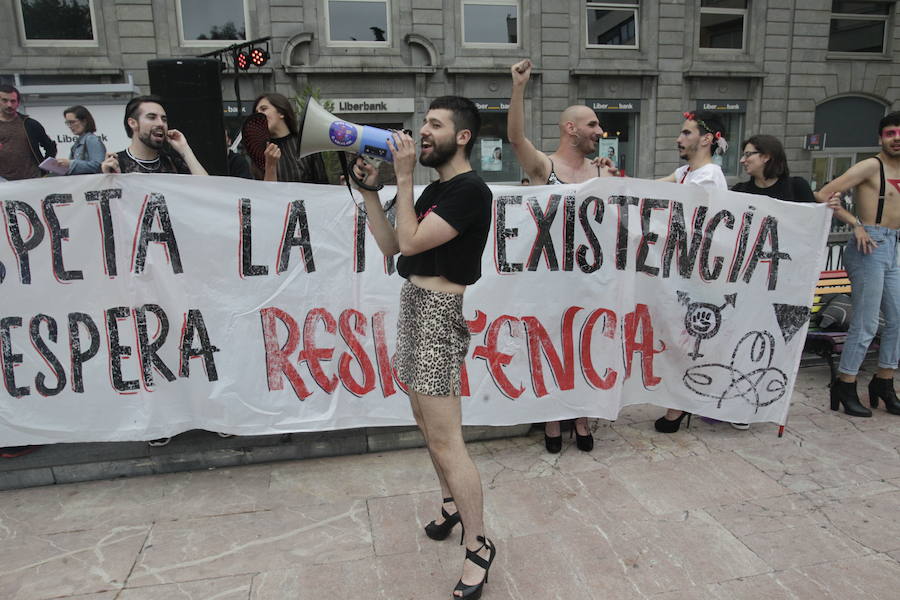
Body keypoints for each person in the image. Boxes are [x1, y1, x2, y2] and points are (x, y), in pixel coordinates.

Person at [354, 96, 496, 599]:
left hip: (437, 318)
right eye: (423, 123)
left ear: (463, 136)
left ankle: (479, 546)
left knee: (445, 439)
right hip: (413, 304)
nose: (423, 132)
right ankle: (450, 505)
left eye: (434, 125)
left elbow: (412, 244)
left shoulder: (469, 191)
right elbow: (393, 247)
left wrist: (405, 176)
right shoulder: (436, 190)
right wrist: (372, 191)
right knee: (424, 423)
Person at [509, 58, 617, 453]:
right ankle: (553, 418)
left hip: (590, 281)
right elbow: (517, 139)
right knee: (550, 346)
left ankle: (582, 416)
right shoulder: (545, 167)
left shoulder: (604, 174)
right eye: (592, 125)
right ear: (570, 128)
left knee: (586, 348)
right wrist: (518, 88)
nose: (599, 131)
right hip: (548, 279)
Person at [655, 111, 746, 432]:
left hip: (698, 276)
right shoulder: (687, 172)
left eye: (686, 132)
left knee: (689, 341)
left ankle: (680, 406)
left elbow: (685, 221)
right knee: (682, 339)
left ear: (707, 139)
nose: (679, 139)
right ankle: (682, 402)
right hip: (684, 271)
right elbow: (651, 190)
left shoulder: (707, 177)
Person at [815, 111, 900, 418]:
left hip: (894, 245)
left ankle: (884, 382)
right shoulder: (869, 166)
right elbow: (824, 194)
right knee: (864, 323)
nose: (896, 138)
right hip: (869, 245)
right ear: (881, 138)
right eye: (890, 133)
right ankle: (846, 383)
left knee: (898, 319)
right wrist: (856, 224)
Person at [101, 95, 208, 175]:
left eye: (164, 119)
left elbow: (208, 192)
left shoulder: (173, 164)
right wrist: (108, 178)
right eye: (151, 117)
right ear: (133, 123)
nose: (160, 124)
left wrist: (185, 149)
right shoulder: (116, 164)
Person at [251, 93, 328, 183]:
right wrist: (270, 166)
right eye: (256, 113)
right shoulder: (259, 152)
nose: (259, 115)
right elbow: (262, 194)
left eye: (264, 109)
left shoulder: (305, 144)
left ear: (281, 113)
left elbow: (322, 186)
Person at [732, 134, 815, 202]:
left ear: (766, 157)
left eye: (748, 154)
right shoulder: (739, 191)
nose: (742, 160)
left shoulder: (797, 187)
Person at [0, 84, 56, 181]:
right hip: (3, 182)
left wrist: (45, 168)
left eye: (13, 101)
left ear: (18, 103)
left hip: (33, 178)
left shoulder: (30, 124)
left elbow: (50, 146)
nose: (9, 105)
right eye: (5, 100)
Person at [57, 105, 106, 175]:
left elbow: (99, 166)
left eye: (72, 122)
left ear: (84, 121)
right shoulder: (78, 142)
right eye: (68, 123)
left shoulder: (91, 139)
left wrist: (70, 164)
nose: (70, 126)